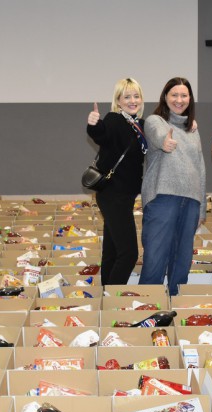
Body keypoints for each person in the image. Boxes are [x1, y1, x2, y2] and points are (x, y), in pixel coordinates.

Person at [139, 78, 206, 296]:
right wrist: (165, 142)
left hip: (191, 200)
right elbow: (159, 137)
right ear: (165, 97)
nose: (179, 100)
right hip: (163, 198)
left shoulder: (193, 129)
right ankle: (147, 307)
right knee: (155, 258)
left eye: (184, 95)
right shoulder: (155, 121)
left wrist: (202, 206)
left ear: (190, 99)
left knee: (182, 260)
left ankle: (175, 307)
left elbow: (201, 167)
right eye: (174, 95)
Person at [86, 78, 148, 286]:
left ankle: (105, 299)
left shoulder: (139, 124)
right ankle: (112, 298)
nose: (132, 101)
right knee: (129, 254)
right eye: (127, 97)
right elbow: (101, 134)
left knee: (112, 251)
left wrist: (188, 124)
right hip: (113, 196)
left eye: (136, 96)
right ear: (118, 100)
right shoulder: (114, 119)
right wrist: (93, 124)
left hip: (125, 196)